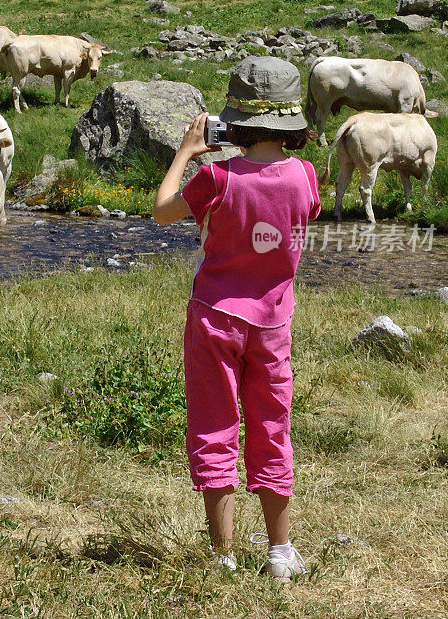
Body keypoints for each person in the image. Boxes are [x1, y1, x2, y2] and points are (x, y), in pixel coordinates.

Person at [153, 57, 321, 580]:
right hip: (272, 324)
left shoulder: (215, 176)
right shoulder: (305, 176)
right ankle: (278, 551)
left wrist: (186, 151)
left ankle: (222, 554)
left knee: (215, 425)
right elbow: (301, 214)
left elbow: (161, 210)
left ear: (236, 122)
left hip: (213, 319)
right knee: (273, 425)